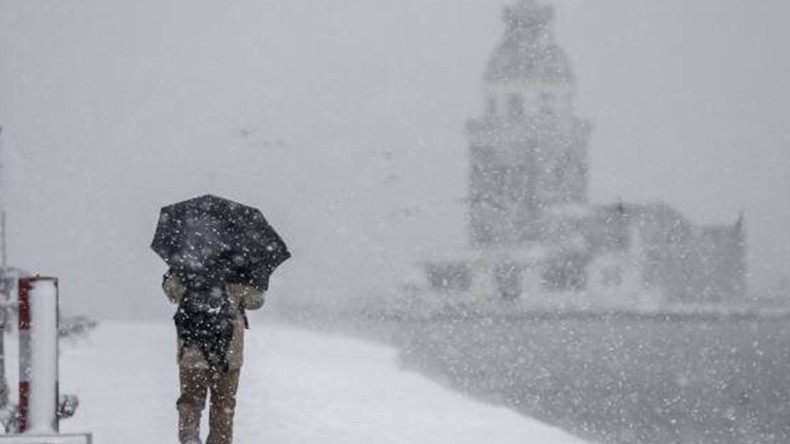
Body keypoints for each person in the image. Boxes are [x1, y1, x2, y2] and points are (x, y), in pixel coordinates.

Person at [163, 269, 265, 444]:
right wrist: (244, 285)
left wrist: (188, 284)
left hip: (192, 348)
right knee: (223, 404)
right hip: (228, 350)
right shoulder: (240, 263)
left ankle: (189, 439)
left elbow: (172, 292)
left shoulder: (187, 260)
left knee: (190, 402)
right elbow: (255, 301)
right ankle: (219, 441)